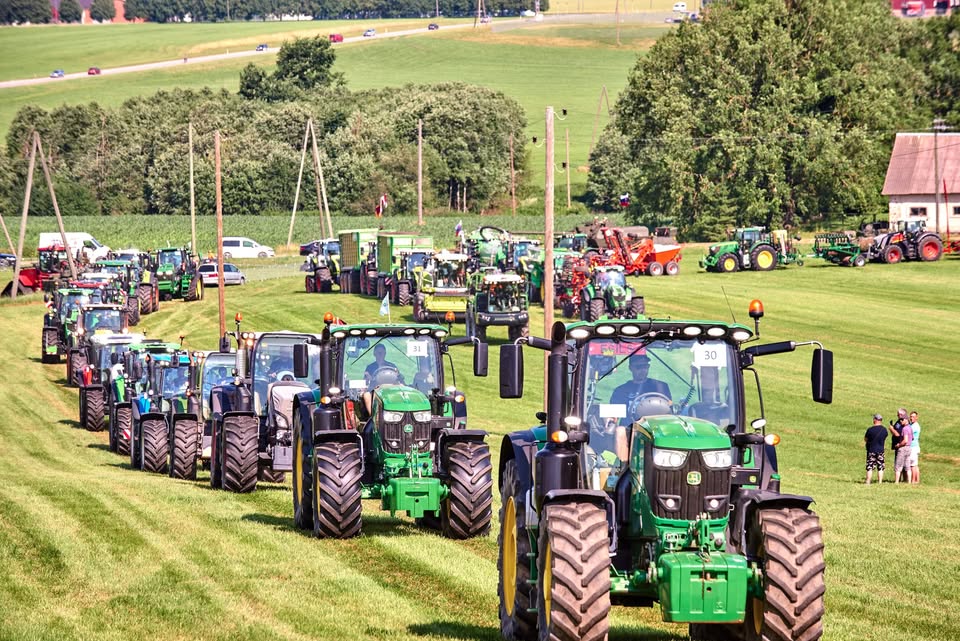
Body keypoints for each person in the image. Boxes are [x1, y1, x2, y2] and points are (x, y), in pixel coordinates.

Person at [610, 353, 672, 422]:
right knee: (620, 430)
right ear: (630, 368)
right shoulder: (621, 391)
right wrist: (610, 418)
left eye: (645, 366)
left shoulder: (660, 386)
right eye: (638, 367)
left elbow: (669, 409)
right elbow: (612, 416)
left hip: (654, 427)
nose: (643, 370)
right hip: (629, 428)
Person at [889, 409, 913, 484]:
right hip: (908, 447)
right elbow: (912, 438)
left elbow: (904, 439)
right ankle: (908, 482)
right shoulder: (909, 427)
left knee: (898, 466)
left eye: (902, 420)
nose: (900, 421)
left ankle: (896, 482)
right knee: (907, 466)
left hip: (902, 448)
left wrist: (899, 445)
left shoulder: (905, 428)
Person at [864, 414, 887, 484]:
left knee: (870, 467)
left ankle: (868, 481)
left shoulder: (870, 430)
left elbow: (865, 439)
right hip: (880, 450)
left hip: (872, 450)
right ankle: (880, 482)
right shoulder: (884, 430)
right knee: (880, 467)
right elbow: (885, 437)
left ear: (875, 420)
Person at [909, 410, 921, 484]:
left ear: (916, 418)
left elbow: (909, 434)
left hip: (913, 447)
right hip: (914, 446)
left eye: (913, 417)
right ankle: (917, 480)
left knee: (913, 465)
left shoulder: (915, 426)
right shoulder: (912, 425)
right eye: (911, 417)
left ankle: (913, 480)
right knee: (915, 465)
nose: (911, 418)